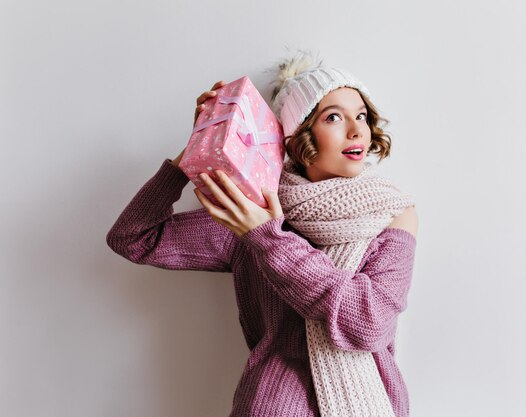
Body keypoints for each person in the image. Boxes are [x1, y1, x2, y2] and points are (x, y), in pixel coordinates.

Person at [106, 50, 418, 417]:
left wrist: (270, 240)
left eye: (361, 115)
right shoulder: (247, 215)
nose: (356, 130)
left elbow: (368, 323)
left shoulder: (392, 213)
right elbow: (132, 237)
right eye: (333, 116)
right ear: (298, 136)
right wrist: (194, 152)